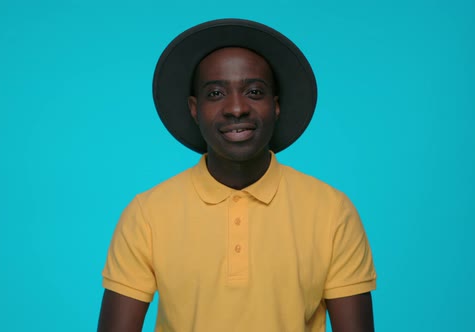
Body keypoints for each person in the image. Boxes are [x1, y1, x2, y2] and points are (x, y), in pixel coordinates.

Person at [98, 19, 377, 332]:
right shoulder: (147, 214)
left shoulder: (332, 212)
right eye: (215, 93)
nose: (236, 108)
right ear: (194, 108)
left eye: (254, 92)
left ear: (276, 106)